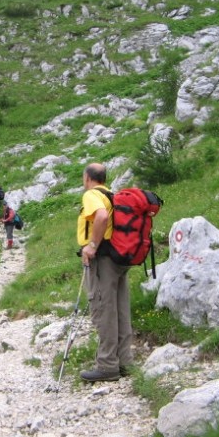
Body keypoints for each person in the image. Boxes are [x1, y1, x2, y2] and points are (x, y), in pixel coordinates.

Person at [76, 163, 133, 382]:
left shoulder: (92, 195)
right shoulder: (111, 194)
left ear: (87, 177)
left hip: (103, 260)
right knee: (120, 308)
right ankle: (125, 361)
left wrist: (91, 246)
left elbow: (100, 217)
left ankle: (108, 365)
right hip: (119, 259)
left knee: (103, 308)